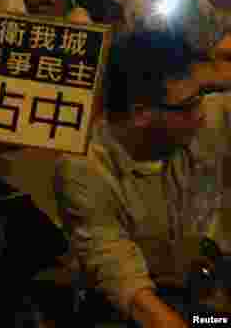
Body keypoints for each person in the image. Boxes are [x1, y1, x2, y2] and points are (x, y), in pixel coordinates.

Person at [56, 31, 231, 327]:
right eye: (189, 105)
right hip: (125, 310)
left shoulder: (204, 118)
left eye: (202, 95)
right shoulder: (83, 167)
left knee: (215, 321)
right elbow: (118, 271)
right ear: (140, 113)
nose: (201, 113)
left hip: (198, 291)